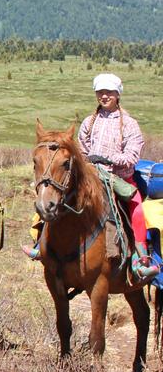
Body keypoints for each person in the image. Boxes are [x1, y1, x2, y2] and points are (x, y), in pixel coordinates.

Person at [38, 72, 155, 278]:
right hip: (91, 174)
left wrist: (110, 158)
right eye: (100, 92)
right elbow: (80, 151)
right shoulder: (88, 122)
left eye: (109, 92)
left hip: (118, 176)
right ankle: (40, 243)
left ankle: (140, 256)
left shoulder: (129, 124)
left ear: (117, 94)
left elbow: (132, 155)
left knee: (135, 204)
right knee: (52, 195)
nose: (104, 96)